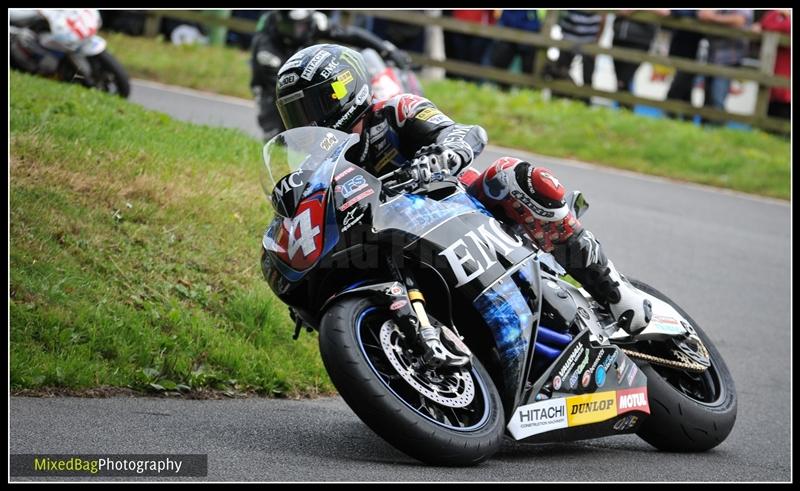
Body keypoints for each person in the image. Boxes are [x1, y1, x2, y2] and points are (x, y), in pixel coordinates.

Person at [270, 43, 653, 365]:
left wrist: (442, 157)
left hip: (464, 208)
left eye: (313, 106)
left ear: (343, 90)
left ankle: (614, 291)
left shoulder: (395, 111)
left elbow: (464, 133)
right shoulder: (319, 169)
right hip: (399, 243)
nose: (308, 120)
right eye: (296, 114)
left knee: (511, 176)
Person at [249, 9, 410, 140]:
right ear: (279, 21)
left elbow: (350, 34)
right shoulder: (266, 51)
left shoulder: (314, 22)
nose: (298, 31)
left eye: (302, 26)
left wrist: (387, 49)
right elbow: (284, 89)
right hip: (273, 90)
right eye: (292, 27)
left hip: (306, 77)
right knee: (280, 137)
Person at [696, 9, 753, 124]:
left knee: (718, 98)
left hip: (729, 57)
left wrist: (712, 17)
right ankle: (705, 130)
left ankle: (717, 130)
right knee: (708, 97)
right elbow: (702, 15)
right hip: (712, 55)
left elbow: (739, 20)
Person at [545, 10, 606, 105]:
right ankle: (555, 100)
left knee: (587, 76)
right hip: (569, 36)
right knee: (560, 70)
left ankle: (586, 103)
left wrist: (597, 42)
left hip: (589, 39)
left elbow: (603, 17)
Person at [610, 11, 658, 110]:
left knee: (624, 79)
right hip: (619, 38)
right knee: (620, 79)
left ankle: (626, 110)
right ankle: (625, 110)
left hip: (639, 41)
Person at [756, 10, 791, 120]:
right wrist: (779, 13)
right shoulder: (780, 17)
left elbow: (787, 27)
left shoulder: (786, 21)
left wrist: (785, 16)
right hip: (774, 88)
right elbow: (766, 23)